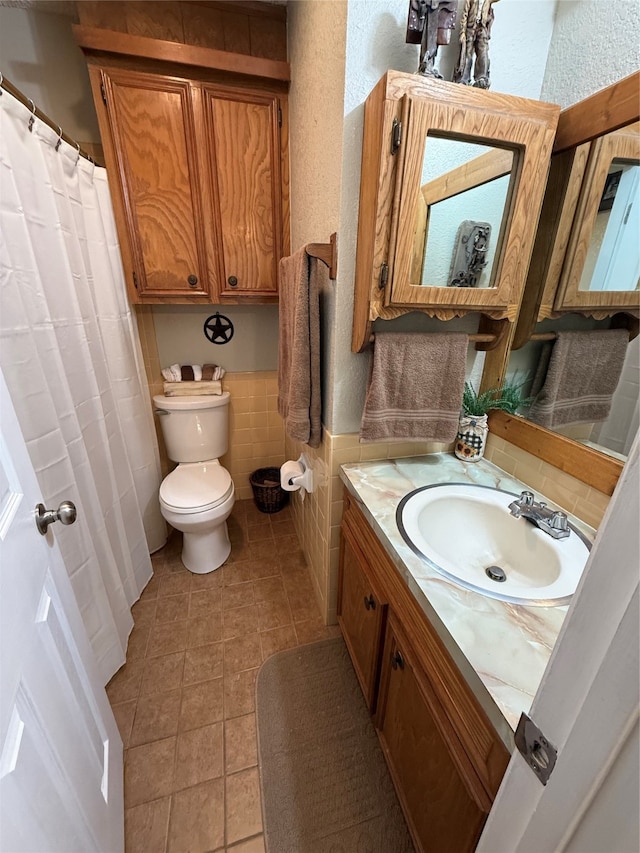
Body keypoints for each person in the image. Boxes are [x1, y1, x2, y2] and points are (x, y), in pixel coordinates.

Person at [453, 0, 501, 89]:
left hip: (482, 28)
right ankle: (463, 78)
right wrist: (462, 32)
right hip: (470, 28)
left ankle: (482, 77)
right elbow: (465, 14)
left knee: (483, 53)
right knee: (467, 54)